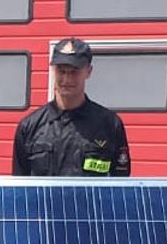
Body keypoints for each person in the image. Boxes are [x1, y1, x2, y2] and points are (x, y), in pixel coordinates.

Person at [11, 37, 130, 177]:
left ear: (89, 71)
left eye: (74, 72)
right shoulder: (29, 127)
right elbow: (19, 190)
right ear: (53, 70)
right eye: (61, 71)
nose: (67, 80)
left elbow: (121, 186)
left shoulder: (110, 125)